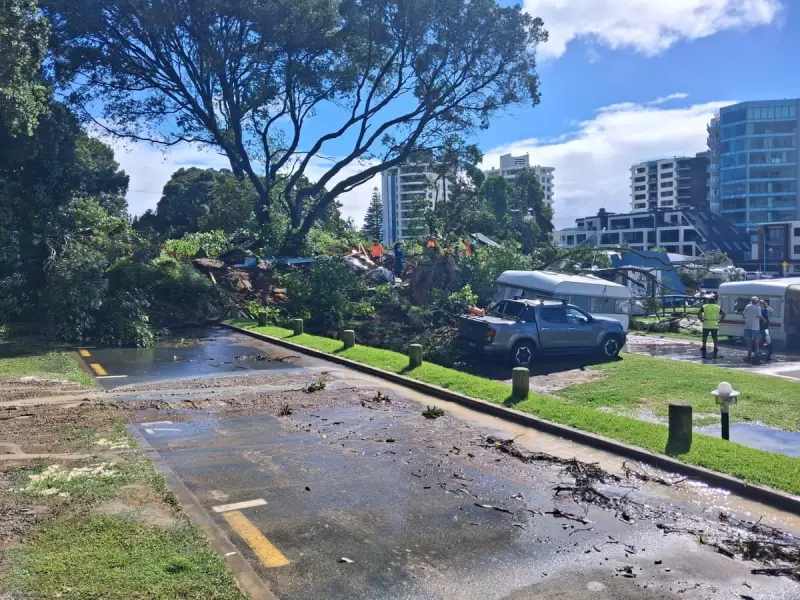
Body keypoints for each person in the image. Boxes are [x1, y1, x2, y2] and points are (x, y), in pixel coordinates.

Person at [699, 293, 725, 359]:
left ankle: (704, 346)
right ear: (714, 301)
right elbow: (724, 314)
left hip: (706, 323)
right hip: (714, 324)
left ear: (708, 301)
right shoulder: (717, 307)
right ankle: (715, 347)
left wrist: (701, 319)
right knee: (715, 337)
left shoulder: (704, 306)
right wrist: (720, 320)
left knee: (705, 336)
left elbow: (698, 313)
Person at [742, 296, 763, 363]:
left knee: (748, 339)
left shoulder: (747, 306)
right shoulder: (758, 307)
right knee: (757, 338)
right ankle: (757, 351)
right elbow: (759, 316)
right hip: (755, 327)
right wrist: (764, 320)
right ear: (757, 301)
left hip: (747, 326)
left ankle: (749, 350)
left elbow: (743, 314)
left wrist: (747, 318)